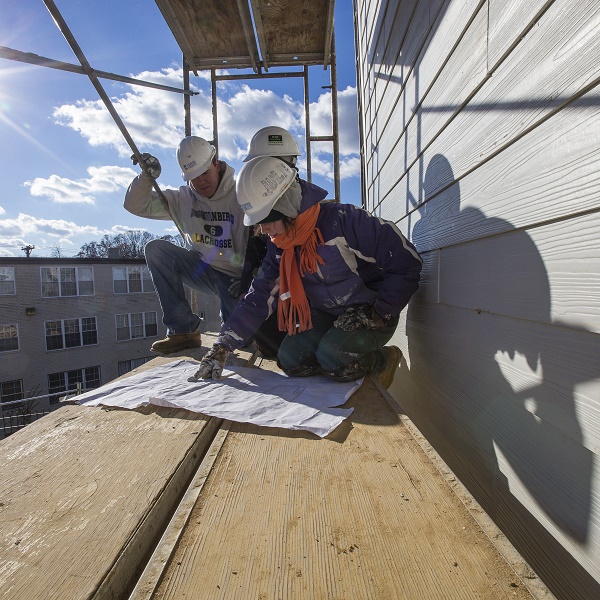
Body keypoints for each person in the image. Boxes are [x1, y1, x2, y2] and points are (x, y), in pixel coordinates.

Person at [192, 156, 423, 388]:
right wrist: (221, 346)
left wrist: (379, 312)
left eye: (266, 219)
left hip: (371, 311)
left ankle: (383, 360)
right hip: (327, 313)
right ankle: (334, 362)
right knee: (290, 360)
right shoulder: (279, 245)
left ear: (287, 206)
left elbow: (406, 261)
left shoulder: (344, 221)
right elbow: (259, 296)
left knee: (334, 359)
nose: (262, 229)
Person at [124, 136, 250, 353]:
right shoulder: (182, 199)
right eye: (193, 177)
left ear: (216, 165)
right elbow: (135, 205)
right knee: (156, 250)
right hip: (202, 270)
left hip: (237, 279)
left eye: (204, 173)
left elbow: (266, 244)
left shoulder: (242, 194)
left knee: (242, 341)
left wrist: (250, 279)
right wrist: (146, 178)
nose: (201, 182)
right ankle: (183, 331)